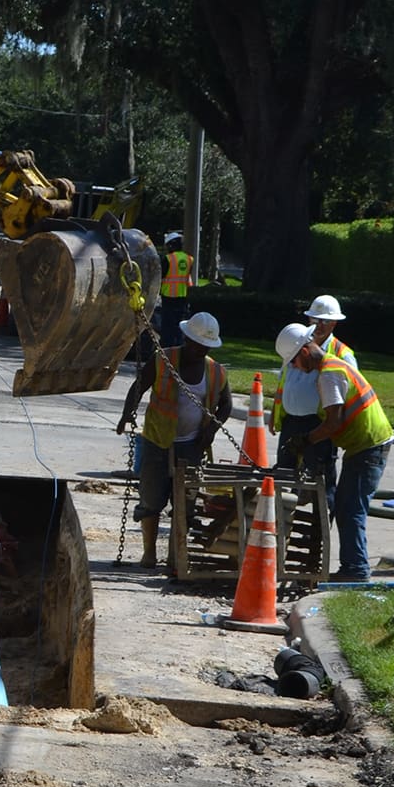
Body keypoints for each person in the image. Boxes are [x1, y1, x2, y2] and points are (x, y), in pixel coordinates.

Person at [275, 322, 393, 582]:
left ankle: (357, 571)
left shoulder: (329, 374)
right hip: (365, 444)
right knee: (346, 505)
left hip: (369, 445)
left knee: (350, 508)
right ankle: (353, 567)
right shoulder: (329, 367)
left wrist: (306, 440)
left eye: (293, 361)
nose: (294, 367)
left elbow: (333, 423)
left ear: (305, 352)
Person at [116, 311, 232, 570]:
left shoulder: (216, 372)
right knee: (151, 497)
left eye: (206, 347)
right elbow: (139, 386)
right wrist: (127, 415)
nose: (201, 350)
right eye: (198, 345)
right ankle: (148, 554)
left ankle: (174, 556)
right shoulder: (163, 359)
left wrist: (211, 430)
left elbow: (226, 405)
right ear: (187, 339)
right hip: (158, 440)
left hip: (191, 446)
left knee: (184, 503)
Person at [269, 294, 357, 514]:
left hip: (320, 425)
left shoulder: (341, 354)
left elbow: (348, 394)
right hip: (291, 421)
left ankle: (320, 529)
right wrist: (275, 412)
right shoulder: (297, 343)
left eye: (324, 321)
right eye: (315, 319)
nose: (319, 325)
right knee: (284, 474)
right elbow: (284, 381)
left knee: (320, 478)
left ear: (334, 323)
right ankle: (280, 523)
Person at [156, 231, 194, 347]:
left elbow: (160, 276)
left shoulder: (167, 259)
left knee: (168, 325)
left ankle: (167, 348)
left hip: (169, 296)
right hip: (182, 296)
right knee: (180, 325)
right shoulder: (189, 259)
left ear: (171, 245)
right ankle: (179, 346)